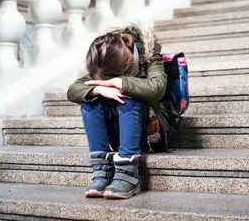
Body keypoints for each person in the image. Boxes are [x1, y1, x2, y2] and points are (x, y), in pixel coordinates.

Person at [67, 24, 177, 200]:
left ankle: (128, 173)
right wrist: (99, 90)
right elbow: (73, 90)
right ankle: (102, 169)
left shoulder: (149, 54)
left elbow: (157, 88)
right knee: (89, 100)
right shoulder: (107, 54)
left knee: (126, 95)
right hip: (123, 131)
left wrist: (121, 83)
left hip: (152, 131)